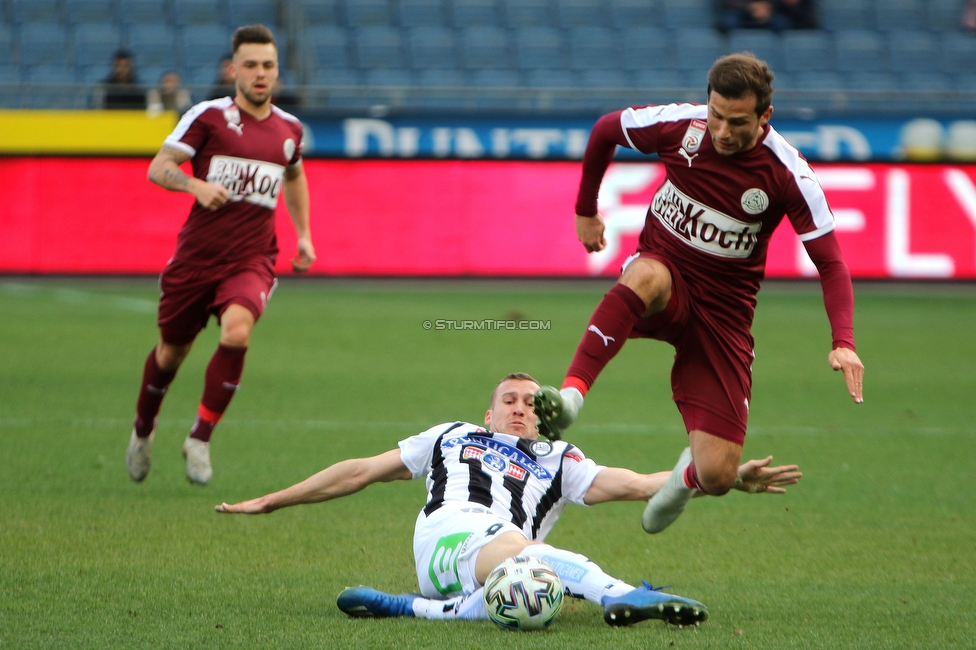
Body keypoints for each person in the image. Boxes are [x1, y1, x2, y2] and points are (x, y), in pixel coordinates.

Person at [531, 53, 863, 538]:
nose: (723, 132)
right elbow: (606, 129)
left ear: (765, 117)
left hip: (723, 318)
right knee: (646, 275)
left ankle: (685, 478)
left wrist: (844, 339)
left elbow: (831, 262)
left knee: (720, 475)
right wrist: (586, 210)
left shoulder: (788, 173)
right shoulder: (679, 127)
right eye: (716, 116)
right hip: (665, 279)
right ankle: (571, 397)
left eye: (738, 122)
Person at [216, 373, 802, 626]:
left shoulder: (561, 459)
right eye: (510, 400)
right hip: (449, 541)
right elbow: (360, 471)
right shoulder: (451, 435)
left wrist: (713, 477)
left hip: (508, 569)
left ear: (544, 413)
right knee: (526, 557)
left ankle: (410, 609)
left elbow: (641, 484)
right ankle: (621, 595)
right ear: (488, 412)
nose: (522, 407)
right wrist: (272, 500)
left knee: (528, 599)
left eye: (531, 400)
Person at [125, 24, 316, 486]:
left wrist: (304, 235)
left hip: (252, 259)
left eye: (268, 65)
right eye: (250, 65)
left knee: (237, 332)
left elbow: (293, 175)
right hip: (196, 260)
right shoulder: (207, 117)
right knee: (171, 354)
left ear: (277, 72)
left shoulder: (289, 130)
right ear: (234, 69)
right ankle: (143, 430)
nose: (260, 73)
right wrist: (194, 184)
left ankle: (200, 438)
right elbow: (160, 167)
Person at [716, 0, 818, 33]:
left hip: (770, 11)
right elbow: (728, 2)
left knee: (782, 24)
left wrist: (768, 7)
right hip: (741, 12)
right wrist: (750, 7)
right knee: (728, 22)